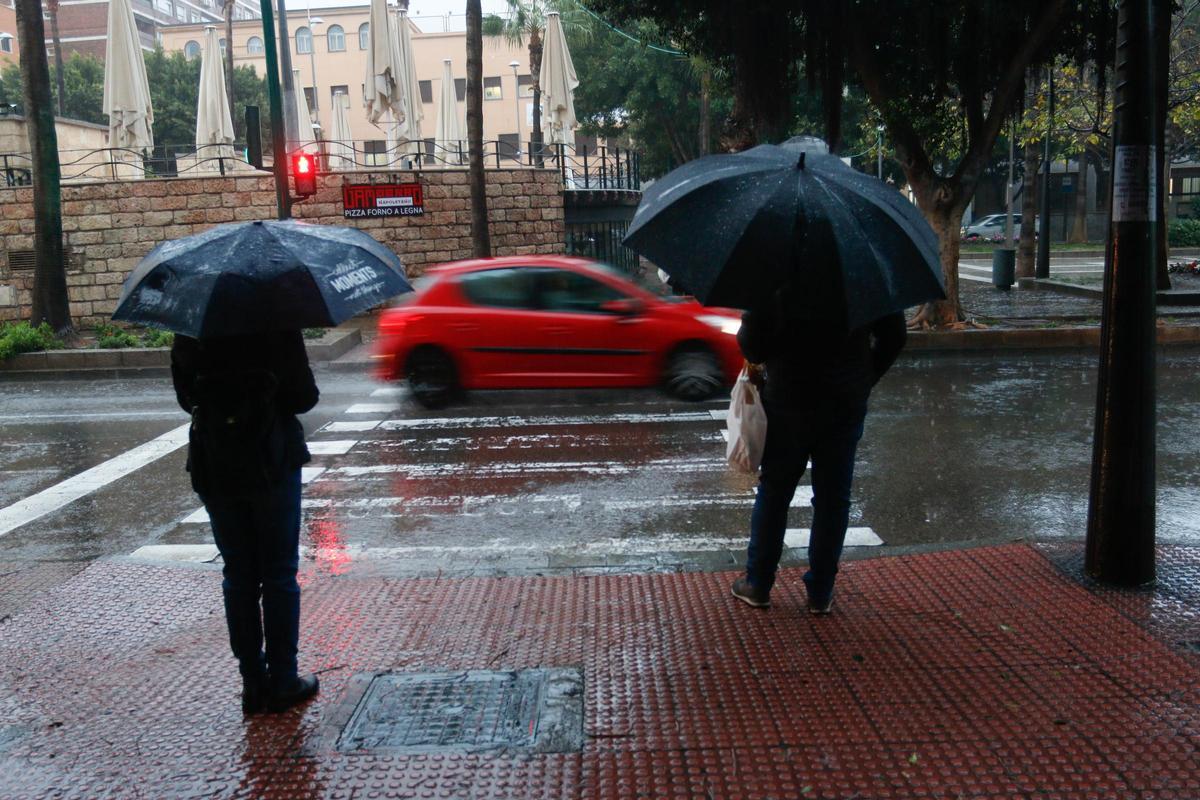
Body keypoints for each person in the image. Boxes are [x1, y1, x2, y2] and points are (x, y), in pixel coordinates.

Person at [730, 282, 906, 615]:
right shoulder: (865, 273)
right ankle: (820, 591)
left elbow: (752, 346)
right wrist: (865, 378)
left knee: (775, 491)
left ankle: (758, 583)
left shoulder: (781, 270)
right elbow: (894, 337)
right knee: (833, 499)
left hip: (787, 401)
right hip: (844, 402)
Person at [171, 330, 321, 713]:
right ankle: (284, 678)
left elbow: (186, 398)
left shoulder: (191, 325)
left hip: (216, 461)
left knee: (238, 575)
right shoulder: (274, 318)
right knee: (278, 573)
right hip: (271, 460)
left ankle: (252, 682)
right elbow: (304, 397)